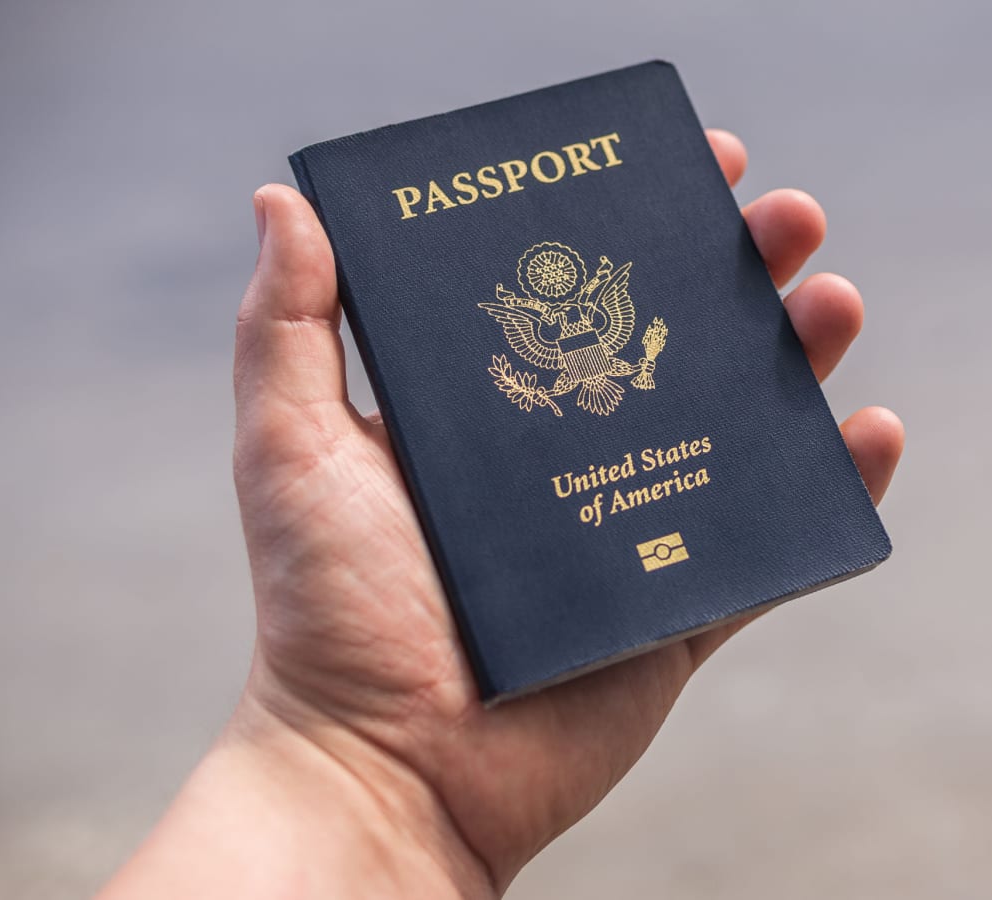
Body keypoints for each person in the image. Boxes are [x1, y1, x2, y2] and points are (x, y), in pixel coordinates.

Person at [99, 129, 904, 899]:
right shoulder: (546, 322)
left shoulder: (586, 316)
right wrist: (364, 758)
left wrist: (352, 775)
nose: (566, 304)